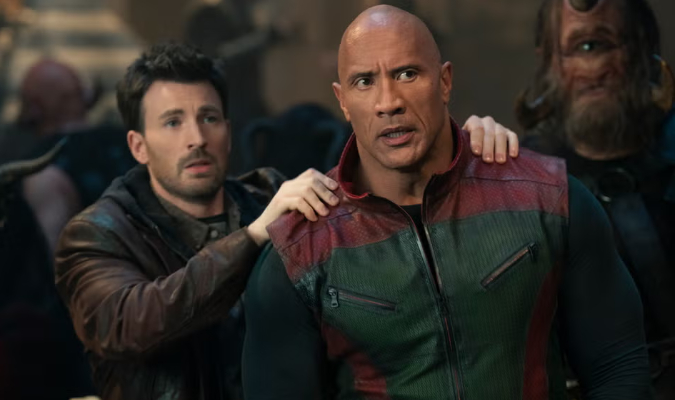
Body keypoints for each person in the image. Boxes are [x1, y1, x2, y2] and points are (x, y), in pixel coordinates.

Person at [54, 42, 515, 400]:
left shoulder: (272, 197)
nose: (196, 138)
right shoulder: (96, 234)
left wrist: (460, 152)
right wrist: (254, 236)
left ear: (228, 130)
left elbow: (386, 215)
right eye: (173, 122)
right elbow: (128, 323)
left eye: (209, 118)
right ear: (138, 145)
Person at [242, 5, 650, 400]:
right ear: (343, 100)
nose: (389, 101)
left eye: (407, 74)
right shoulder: (300, 251)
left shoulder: (548, 198)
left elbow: (617, 367)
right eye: (364, 81)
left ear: (445, 82)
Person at [515, 0, 675, 397]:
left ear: (643, 51)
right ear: (550, 62)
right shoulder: (525, 179)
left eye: (600, 45)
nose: (592, 71)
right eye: (580, 48)